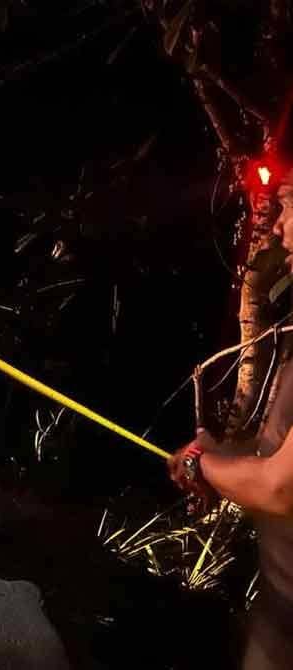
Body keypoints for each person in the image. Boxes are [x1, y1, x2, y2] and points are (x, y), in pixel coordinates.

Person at [168, 163, 293, 670]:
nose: (279, 227)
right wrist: (221, 454)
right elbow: (275, 449)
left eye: (288, 206)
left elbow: (281, 487)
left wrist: (203, 467)